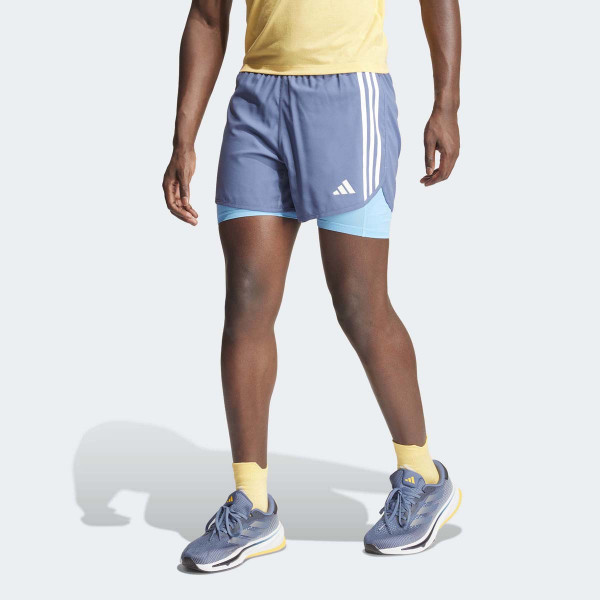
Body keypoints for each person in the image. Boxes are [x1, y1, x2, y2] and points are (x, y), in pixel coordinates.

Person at [163, 0, 462, 572]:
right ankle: (252, 503)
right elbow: (206, 16)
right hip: (258, 102)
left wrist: (445, 104)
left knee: (359, 303)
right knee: (246, 304)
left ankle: (423, 476)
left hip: (349, 98)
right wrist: (183, 138)